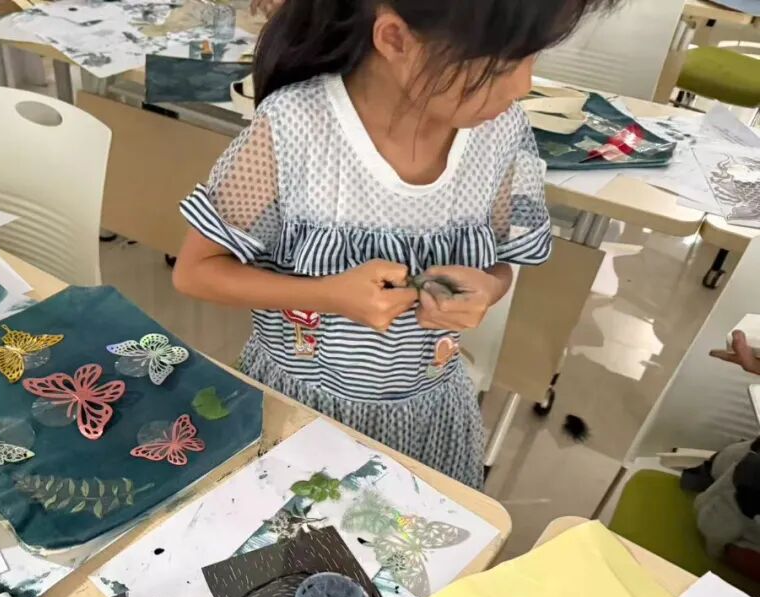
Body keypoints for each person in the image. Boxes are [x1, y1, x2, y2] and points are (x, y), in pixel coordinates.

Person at [172, 0, 618, 488]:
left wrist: (489, 288)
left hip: (429, 418)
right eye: (498, 67)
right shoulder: (293, 127)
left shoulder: (502, 133)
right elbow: (196, 271)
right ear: (395, 39)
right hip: (295, 414)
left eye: (533, 57)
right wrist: (327, 295)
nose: (522, 85)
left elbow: (500, 264)